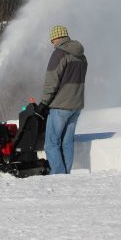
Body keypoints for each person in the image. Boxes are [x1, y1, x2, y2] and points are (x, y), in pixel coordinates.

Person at [35, 25, 88, 174]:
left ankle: (59, 176)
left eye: (53, 40)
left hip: (60, 107)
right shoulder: (81, 55)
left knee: (51, 144)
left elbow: (51, 81)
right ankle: (66, 174)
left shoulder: (59, 54)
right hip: (76, 106)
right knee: (66, 143)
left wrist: (43, 103)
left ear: (57, 38)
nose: (53, 44)